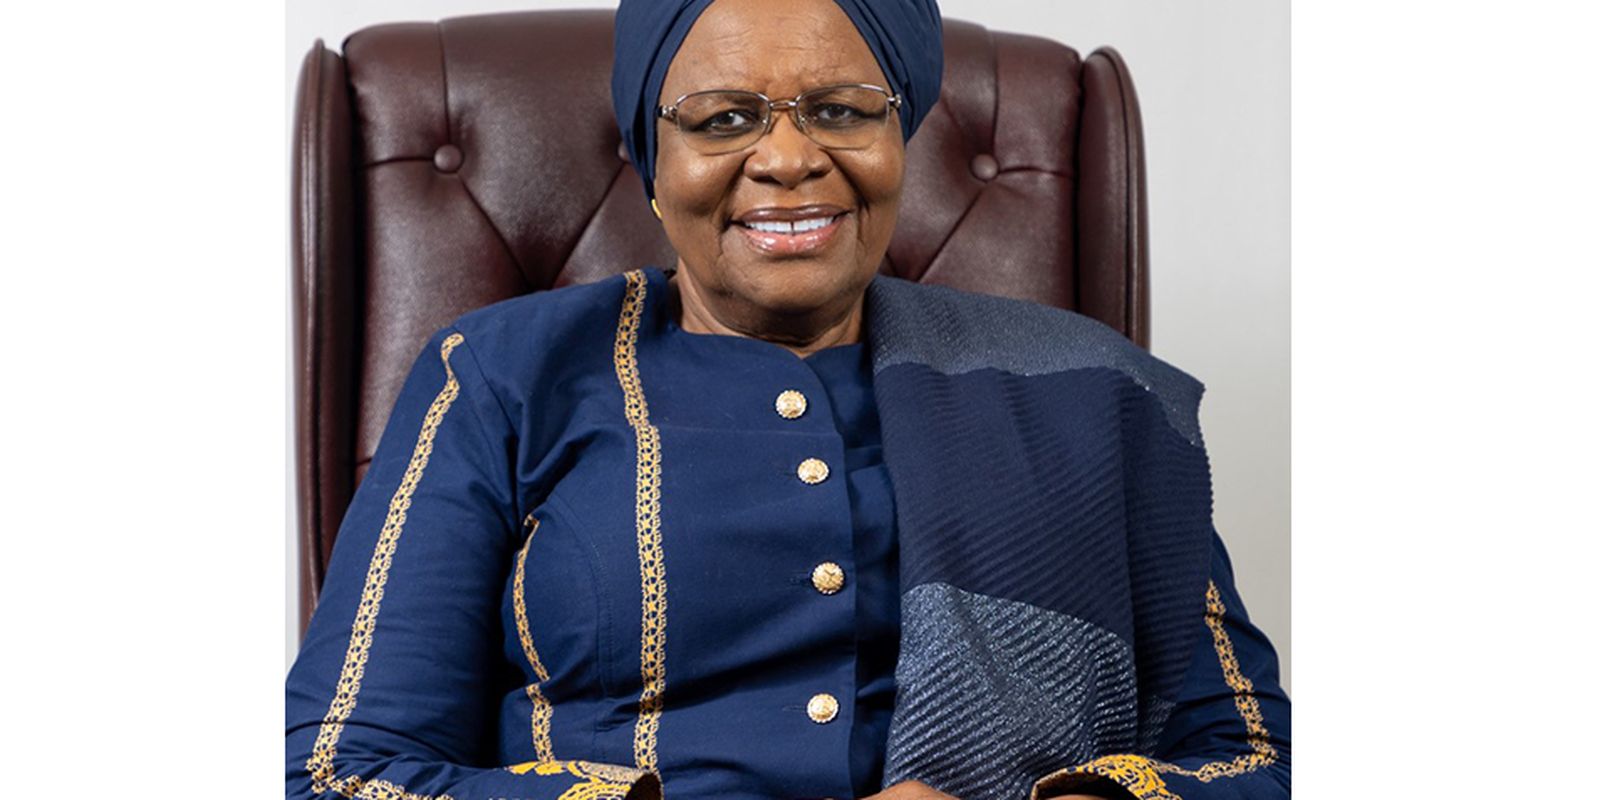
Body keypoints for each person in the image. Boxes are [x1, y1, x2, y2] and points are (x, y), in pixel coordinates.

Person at [284, 0, 1291, 798]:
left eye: (842, 110)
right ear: (652, 162)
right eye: (722, 119)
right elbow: (339, 770)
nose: (787, 157)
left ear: (900, 139)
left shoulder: (1091, 392)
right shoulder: (503, 375)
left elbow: (1254, 757)